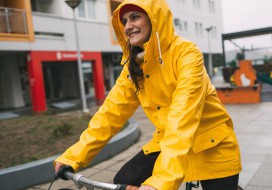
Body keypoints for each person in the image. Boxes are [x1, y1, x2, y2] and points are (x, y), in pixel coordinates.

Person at [54, 0, 242, 189]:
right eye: (125, 21)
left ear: (154, 19)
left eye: (135, 17)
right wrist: (74, 156)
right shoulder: (134, 66)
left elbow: (183, 116)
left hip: (211, 144)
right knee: (125, 179)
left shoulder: (187, 53)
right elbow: (109, 114)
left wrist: (160, 182)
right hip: (167, 142)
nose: (128, 26)